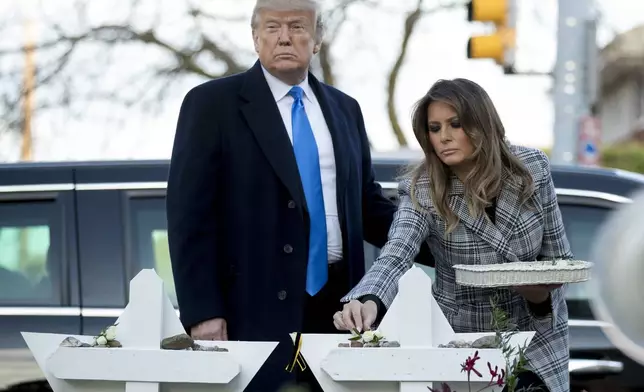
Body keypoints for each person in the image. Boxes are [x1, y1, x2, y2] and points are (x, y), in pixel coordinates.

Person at [165, 0, 432, 390]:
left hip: (342, 310)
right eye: (272, 28)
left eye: (297, 26)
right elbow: (190, 217)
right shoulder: (211, 105)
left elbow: (367, 206)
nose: (285, 37)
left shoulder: (346, 110)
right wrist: (203, 311)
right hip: (249, 312)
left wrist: (447, 244)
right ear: (255, 38)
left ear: (318, 39)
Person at [334, 78, 573, 392]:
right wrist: (367, 300)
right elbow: (396, 255)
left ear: (482, 124)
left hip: (536, 341)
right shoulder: (422, 188)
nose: (444, 137)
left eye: (455, 124)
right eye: (434, 128)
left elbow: (560, 260)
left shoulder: (532, 169)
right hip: (463, 347)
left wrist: (539, 296)